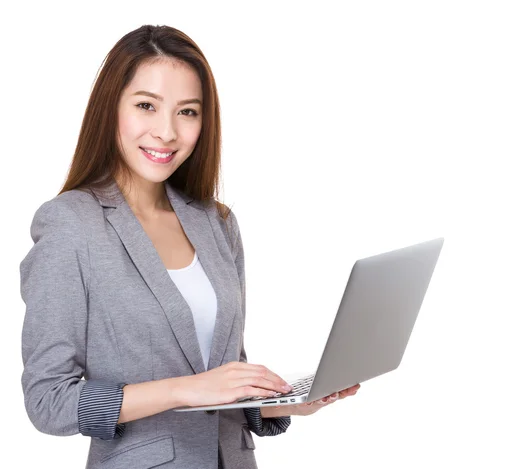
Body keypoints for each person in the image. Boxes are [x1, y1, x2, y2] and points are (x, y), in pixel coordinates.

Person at [19, 24, 360, 469]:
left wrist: (284, 402)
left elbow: (224, 381)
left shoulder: (216, 223)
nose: (166, 132)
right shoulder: (71, 224)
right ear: (111, 109)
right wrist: (183, 388)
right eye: (146, 106)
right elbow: (48, 401)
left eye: (187, 112)